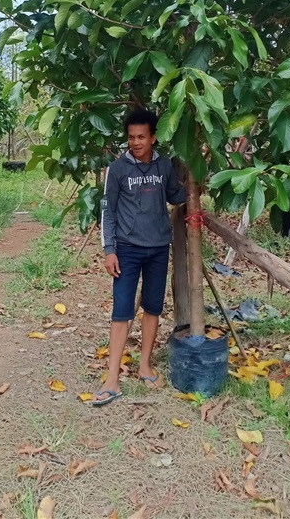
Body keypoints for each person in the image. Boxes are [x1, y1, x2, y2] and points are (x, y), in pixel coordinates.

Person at [92, 108, 186, 406]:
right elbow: (107, 212)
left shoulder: (164, 167)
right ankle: (111, 378)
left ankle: (145, 365)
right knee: (121, 311)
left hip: (158, 248)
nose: (135, 142)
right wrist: (109, 251)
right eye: (131, 137)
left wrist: (197, 186)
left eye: (141, 137)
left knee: (153, 308)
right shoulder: (117, 169)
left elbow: (175, 195)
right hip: (127, 251)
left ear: (153, 137)